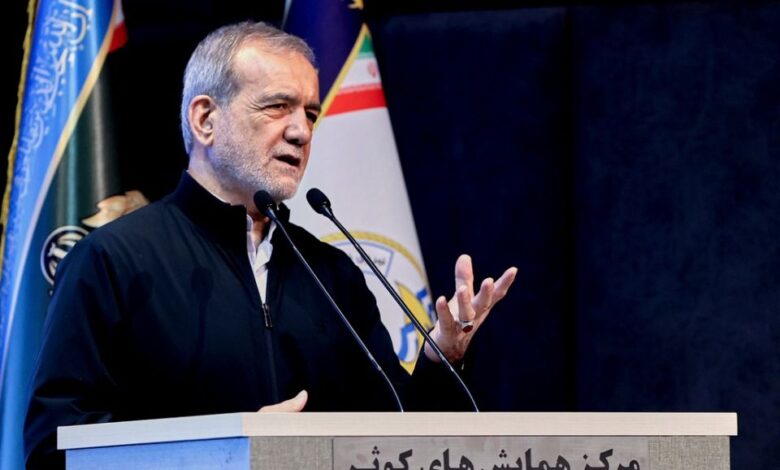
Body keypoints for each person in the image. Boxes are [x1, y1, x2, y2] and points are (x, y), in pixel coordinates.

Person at [23, 21, 517, 468]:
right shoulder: (113, 261)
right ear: (205, 119)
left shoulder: (332, 273)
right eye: (278, 106)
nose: (302, 131)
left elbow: (394, 438)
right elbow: (54, 446)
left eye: (310, 113)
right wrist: (226, 451)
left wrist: (439, 361)